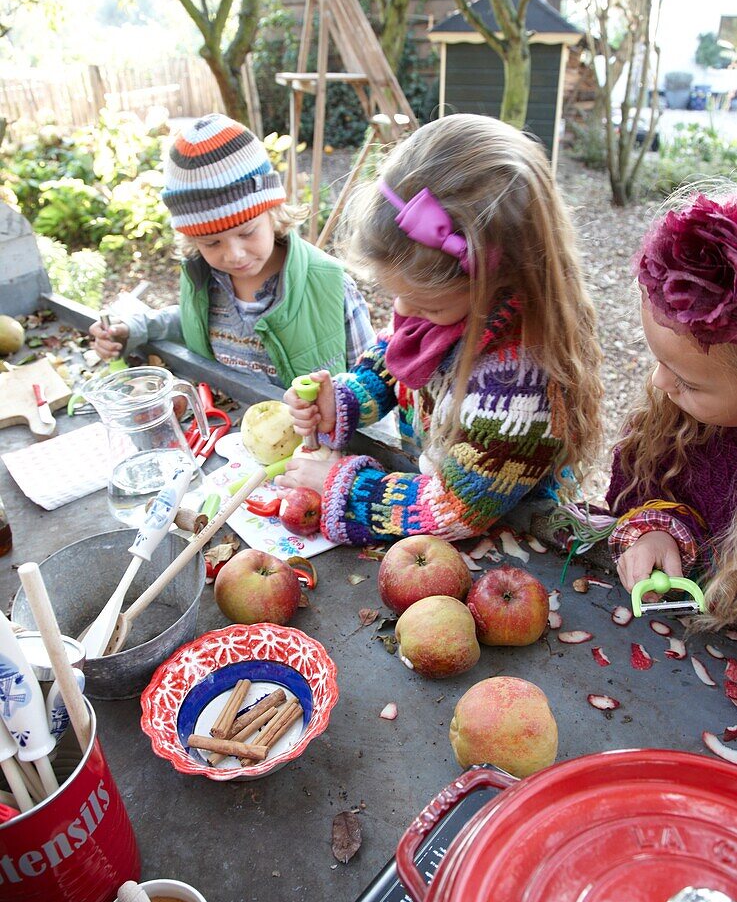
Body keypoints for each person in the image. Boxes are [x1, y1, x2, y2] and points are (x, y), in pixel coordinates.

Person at [275, 113, 604, 545]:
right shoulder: (449, 307)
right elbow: (398, 359)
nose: (402, 311)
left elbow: (454, 509)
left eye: (426, 305)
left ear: (495, 280)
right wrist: (344, 400)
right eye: (399, 295)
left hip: (517, 538)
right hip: (429, 482)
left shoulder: (520, 384)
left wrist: (342, 487)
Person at [89, 114, 374, 385]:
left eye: (247, 232)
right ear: (192, 239)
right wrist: (133, 328)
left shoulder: (331, 286)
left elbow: (371, 379)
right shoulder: (204, 279)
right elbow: (192, 323)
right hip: (227, 431)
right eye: (211, 242)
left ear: (273, 212)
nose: (234, 254)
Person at [606, 190, 737, 631]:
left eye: (687, 382)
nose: (660, 383)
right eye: (657, 361)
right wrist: (659, 529)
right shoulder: (676, 421)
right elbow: (641, 484)